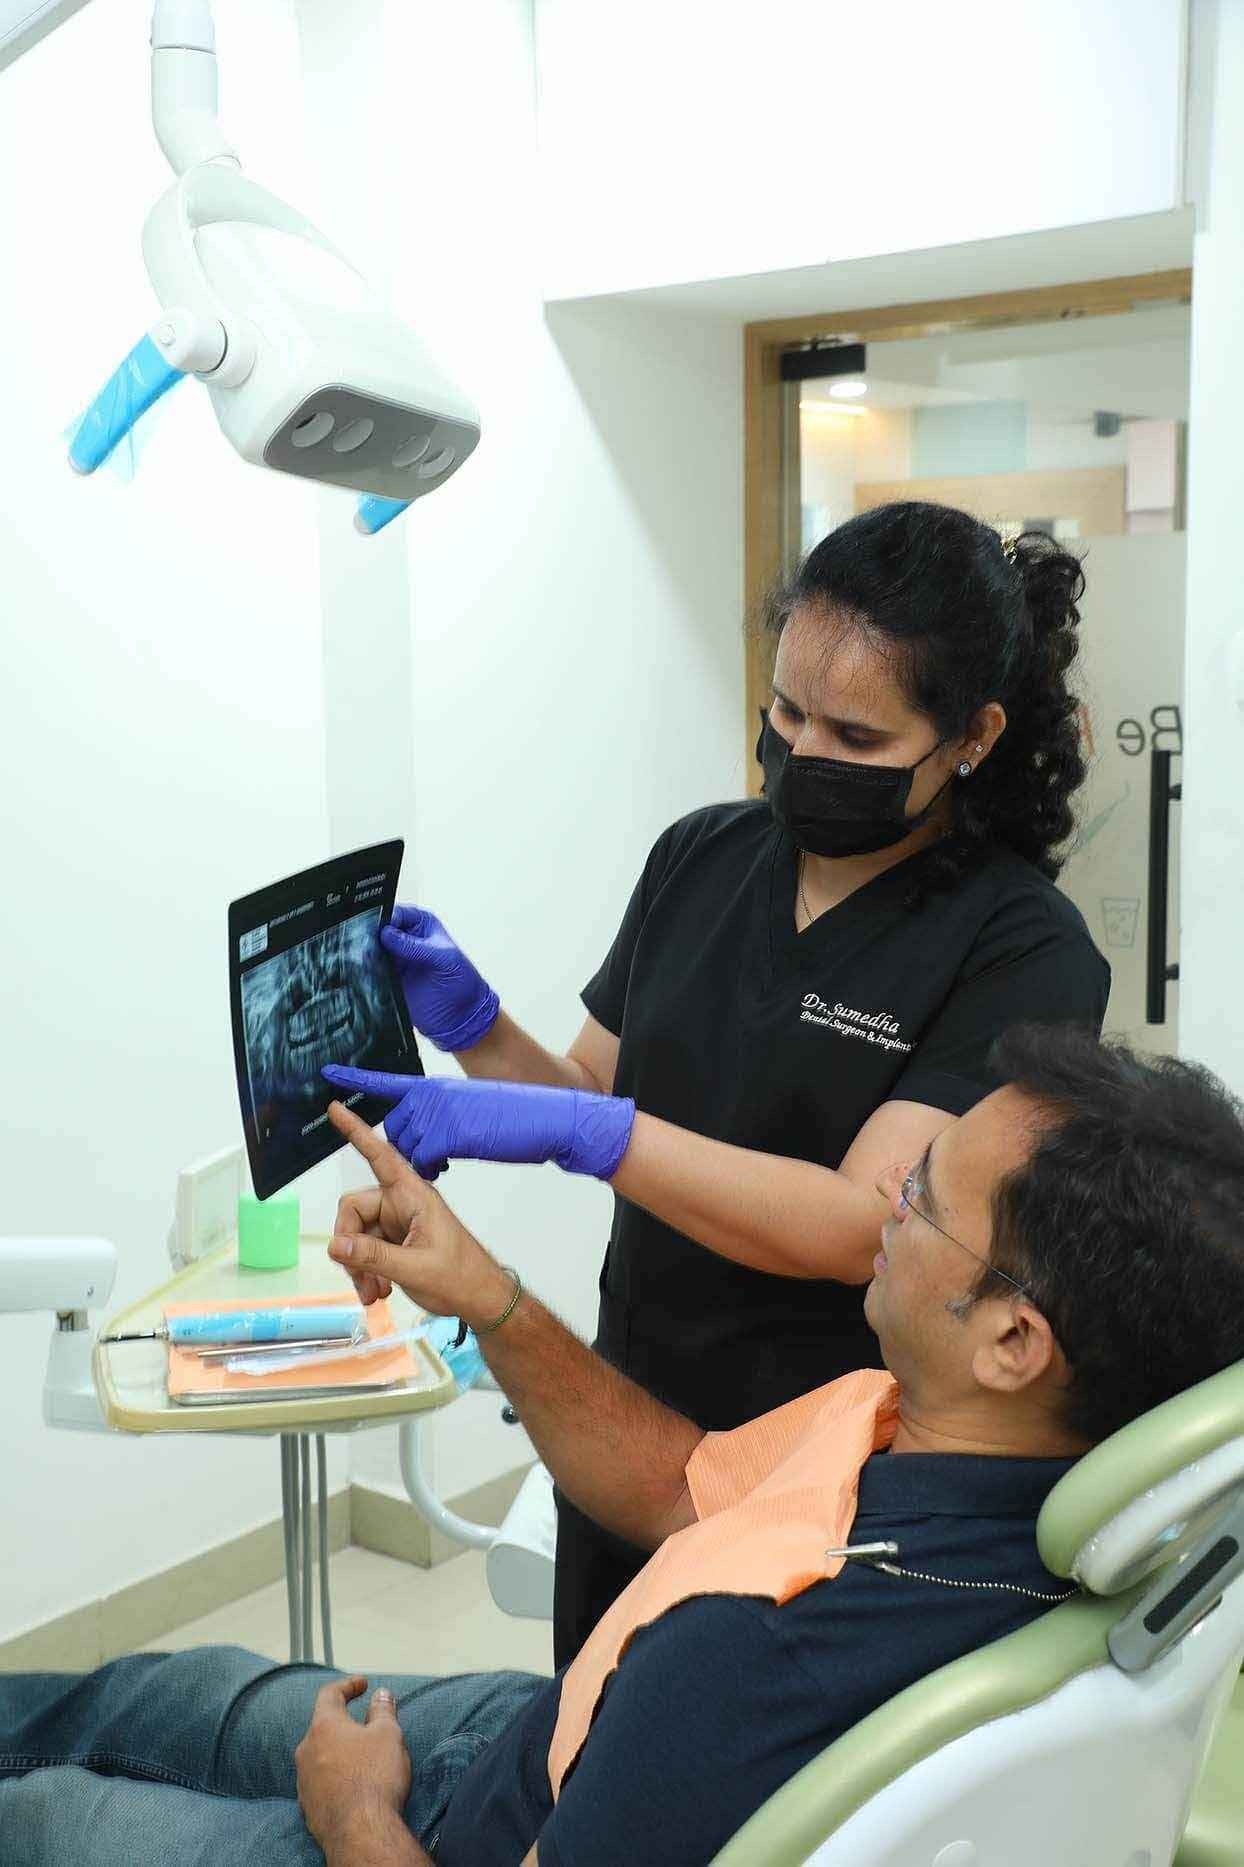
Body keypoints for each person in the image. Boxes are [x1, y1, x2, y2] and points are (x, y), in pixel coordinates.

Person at [6, 1026, 1244, 1867]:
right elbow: (679, 1484)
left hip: (433, 1832)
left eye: (920, 1194)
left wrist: (353, 1814)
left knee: (50, 1816)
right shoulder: (926, 1441)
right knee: (138, 1695)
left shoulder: (762, 1660)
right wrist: (487, 1295)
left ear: (1013, 1341)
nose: (888, 1205)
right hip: (540, 1736)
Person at [325, 501, 1111, 1662]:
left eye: (854, 736)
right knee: (588, 1731)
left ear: (971, 737)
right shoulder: (703, 856)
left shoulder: (1020, 947)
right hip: (619, 1406)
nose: (802, 754)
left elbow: (860, 1224)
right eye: (785, 712)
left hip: (817, 1462)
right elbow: (585, 1082)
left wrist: (584, 1133)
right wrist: (481, 1030)